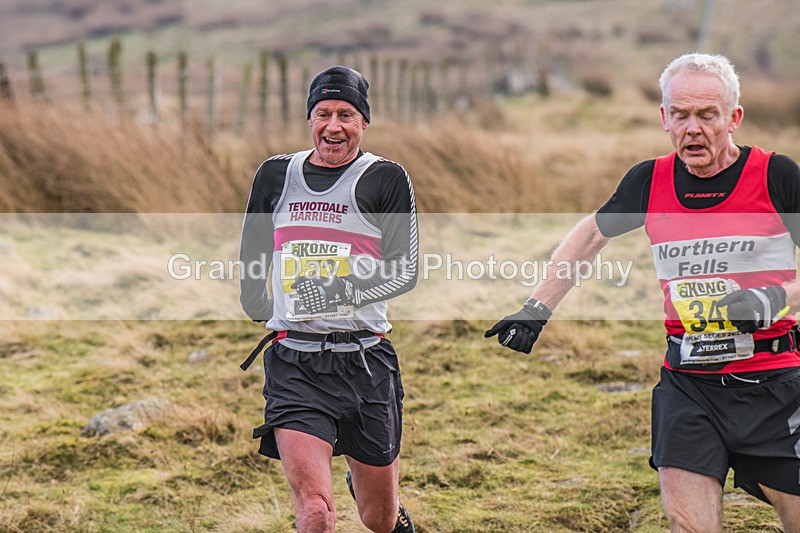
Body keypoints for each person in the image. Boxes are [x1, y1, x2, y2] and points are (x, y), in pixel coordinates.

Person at [485, 52, 800, 532]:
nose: (692, 128)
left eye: (707, 115)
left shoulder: (776, 176)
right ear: (664, 119)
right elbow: (591, 234)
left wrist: (770, 300)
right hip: (689, 383)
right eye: (680, 115)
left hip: (774, 381)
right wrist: (536, 307)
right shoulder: (649, 181)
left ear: (733, 118)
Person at [239, 65, 418, 533]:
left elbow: (405, 270)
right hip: (295, 363)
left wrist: (340, 291)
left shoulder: (384, 178)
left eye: (346, 115)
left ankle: (386, 507)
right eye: (323, 113)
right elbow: (254, 247)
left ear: (363, 122)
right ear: (310, 118)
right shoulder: (277, 174)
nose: (333, 126)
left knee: (378, 520)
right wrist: (258, 302)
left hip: (366, 363)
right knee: (316, 511)